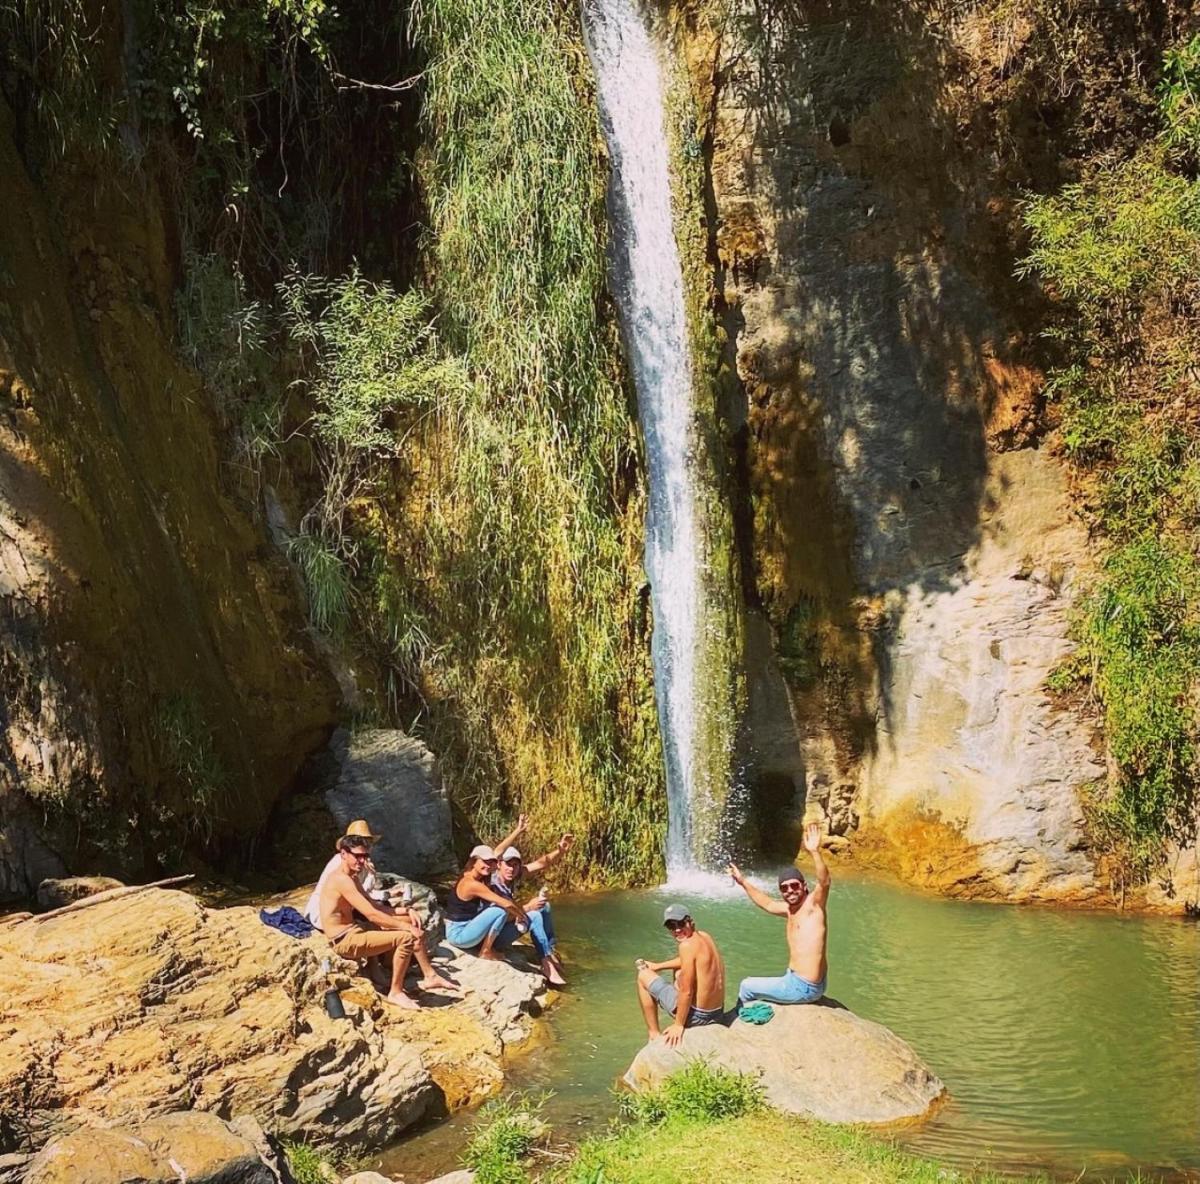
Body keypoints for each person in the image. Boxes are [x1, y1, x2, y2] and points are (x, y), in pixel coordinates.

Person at [318, 835, 459, 1009]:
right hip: (344, 939)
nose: (362, 861)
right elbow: (371, 914)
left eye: (365, 856)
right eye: (357, 856)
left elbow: (373, 905)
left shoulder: (352, 877)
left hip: (355, 929)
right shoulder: (341, 879)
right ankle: (396, 991)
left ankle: (428, 975)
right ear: (343, 854)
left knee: (409, 922)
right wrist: (406, 927)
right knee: (406, 937)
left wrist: (405, 911)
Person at [728, 820, 830, 1009]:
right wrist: (742, 882)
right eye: (784, 888)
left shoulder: (812, 906)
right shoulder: (790, 909)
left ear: (804, 886)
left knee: (746, 986)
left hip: (804, 986)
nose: (790, 890)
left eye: (794, 885)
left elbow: (824, 882)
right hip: (801, 980)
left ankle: (743, 1022)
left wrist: (815, 851)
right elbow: (766, 903)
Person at [634, 904, 726, 1046]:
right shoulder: (705, 937)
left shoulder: (686, 946)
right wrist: (658, 966)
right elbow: (687, 961)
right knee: (678, 972)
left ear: (690, 921)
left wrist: (678, 1025)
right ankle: (682, 1015)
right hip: (717, 1013)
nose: (677, 930)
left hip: (698, 1018)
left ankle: (653, 1034)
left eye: (681, 924)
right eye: (671, 926)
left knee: (643, 976)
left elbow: (686, 991)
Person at [491, 833, 573, 985]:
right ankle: (546, 963)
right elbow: (498, 917)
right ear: (499, 864)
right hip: (492, 937)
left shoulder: (514, 876)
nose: (512, 869)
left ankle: (550, 951)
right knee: (534, 914)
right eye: (508, 864)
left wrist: (560, 851)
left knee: (544, 906)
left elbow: (541, 863)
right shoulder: (493, 884)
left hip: (503, 927)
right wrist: (527, 908)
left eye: (516, 865)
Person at [444, 845, 531, 962]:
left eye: (491, 863)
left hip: (461, 929)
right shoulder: (472, 884)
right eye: (485, 862)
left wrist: (518, 831)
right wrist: (521, 915)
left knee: (500, 910)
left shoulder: (468, 874)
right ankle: (485, 951)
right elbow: (505, 904)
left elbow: (499, 852)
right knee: (500, 910)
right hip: (458, 935)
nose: (488, 866)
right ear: (474, 861)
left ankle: (486, 947)